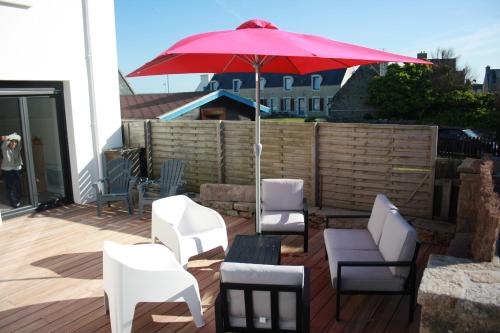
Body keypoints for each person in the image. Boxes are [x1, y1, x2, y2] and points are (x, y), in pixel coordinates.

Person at [1, 133, 23, 208]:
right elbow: (5, 143)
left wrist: (11, 137)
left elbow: (19, 138)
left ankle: (17, 200)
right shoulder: (5, 148)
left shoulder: (17, 148)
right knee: (9, 187)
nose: (14, 143)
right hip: (7, 170)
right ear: (9, 142)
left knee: (18, 186)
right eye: (12, 142)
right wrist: (8, 138)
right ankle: (13, 202)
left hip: (16, 169)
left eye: (15, 142)